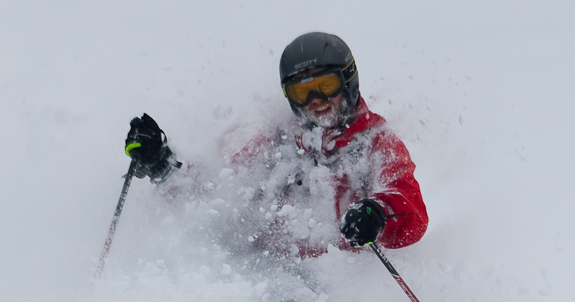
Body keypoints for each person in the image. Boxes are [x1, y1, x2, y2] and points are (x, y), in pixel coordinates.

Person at [124, 32, 428, 259]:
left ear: (348, 81)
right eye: (302, 92)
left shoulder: (375, 143)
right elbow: (216, 191)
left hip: (335, 278)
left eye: (325, 86)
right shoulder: (278, 137)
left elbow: (410, 210)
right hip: (265, 265)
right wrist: (160, 163)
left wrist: (377, 214)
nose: (316, 101)